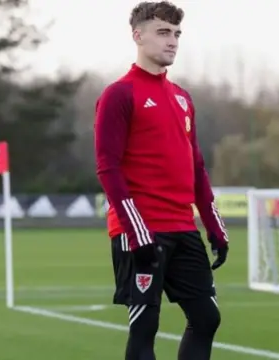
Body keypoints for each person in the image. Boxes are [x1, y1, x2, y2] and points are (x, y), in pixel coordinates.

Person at [93, 2, 229, 359]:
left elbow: (196, 166)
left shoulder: (182, 98)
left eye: (177, 34)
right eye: (163, 33)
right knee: (144, 326)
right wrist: (136, 232)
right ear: (138, 36)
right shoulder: (119, 94)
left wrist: (214, 226)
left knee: (206, 317)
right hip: (140, 229)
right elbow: (108, 168)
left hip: (182, 227)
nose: (173, 42)